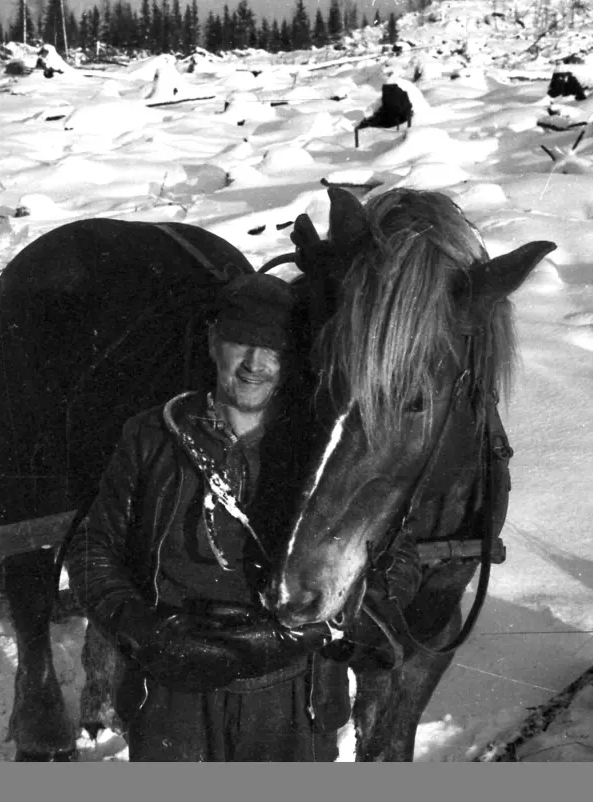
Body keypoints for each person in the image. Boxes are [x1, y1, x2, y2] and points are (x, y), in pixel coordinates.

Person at [67, 272, 419, 761]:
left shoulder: (322, 449)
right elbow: (92, 549)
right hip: (173, 690)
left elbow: (394, 557)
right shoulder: (153, 436)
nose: (255, 363)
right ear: (214, 344)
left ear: (292, 358)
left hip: (292, 695)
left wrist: (326, 627)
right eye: (241, 342)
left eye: (272, 348)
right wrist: (144, 633)